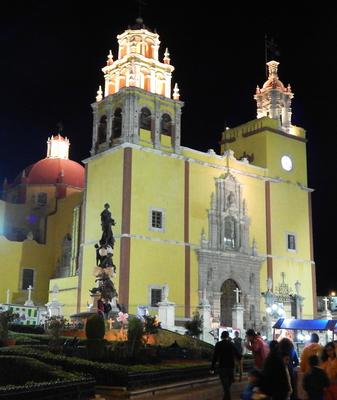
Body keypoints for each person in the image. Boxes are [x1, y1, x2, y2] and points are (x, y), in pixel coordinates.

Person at [211, 330, 240, 400]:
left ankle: (226, 398)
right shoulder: (231, 344)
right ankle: (226, 398)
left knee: (225, 386)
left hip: (222, 367)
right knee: (227, 386)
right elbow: (239, 355)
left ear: (221, 337)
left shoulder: (218, 344)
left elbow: (214, 357)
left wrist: (212, 367)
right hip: (231, 367)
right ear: (228, 336)